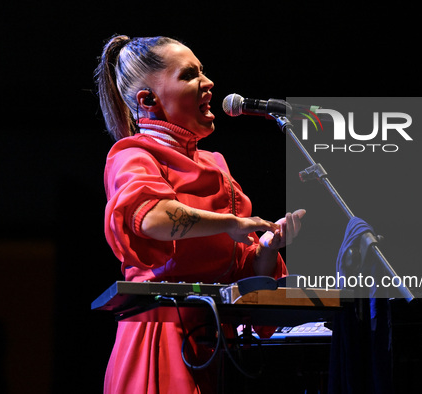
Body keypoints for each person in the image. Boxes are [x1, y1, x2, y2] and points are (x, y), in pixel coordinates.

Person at [95, 34, 305, 394]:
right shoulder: (133, 155)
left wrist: (269, 246)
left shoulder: (215, 164)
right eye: (189, 75)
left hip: (215, 343)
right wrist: (235, 223)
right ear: (148, 100)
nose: (208, 83)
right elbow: (154, 218)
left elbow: (241, 267)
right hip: (163, 338)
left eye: (203, 72)